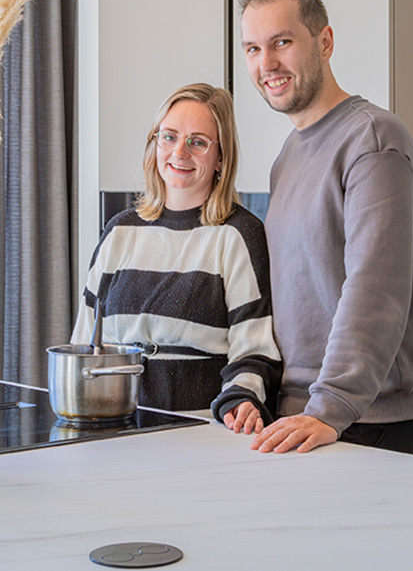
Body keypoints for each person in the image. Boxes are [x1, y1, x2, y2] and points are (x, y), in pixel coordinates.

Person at [238, 0, 413, 456]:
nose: (267, 64)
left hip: (364, 420)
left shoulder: (372, 140)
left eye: (282, 42)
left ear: (324, 42)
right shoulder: (289, 154)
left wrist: (332, 406)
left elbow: (376, 287)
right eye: (252, 49)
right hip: (300, 415)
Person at [71, 83, 281, 431]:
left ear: (221, 158)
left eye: (198, 142)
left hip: (198, 435)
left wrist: (242, 398)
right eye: (168, 137)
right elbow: (83, 343)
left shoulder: (238, 234)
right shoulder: (119, 231)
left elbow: (255, 349)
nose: (179, 152)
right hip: (113, 434)